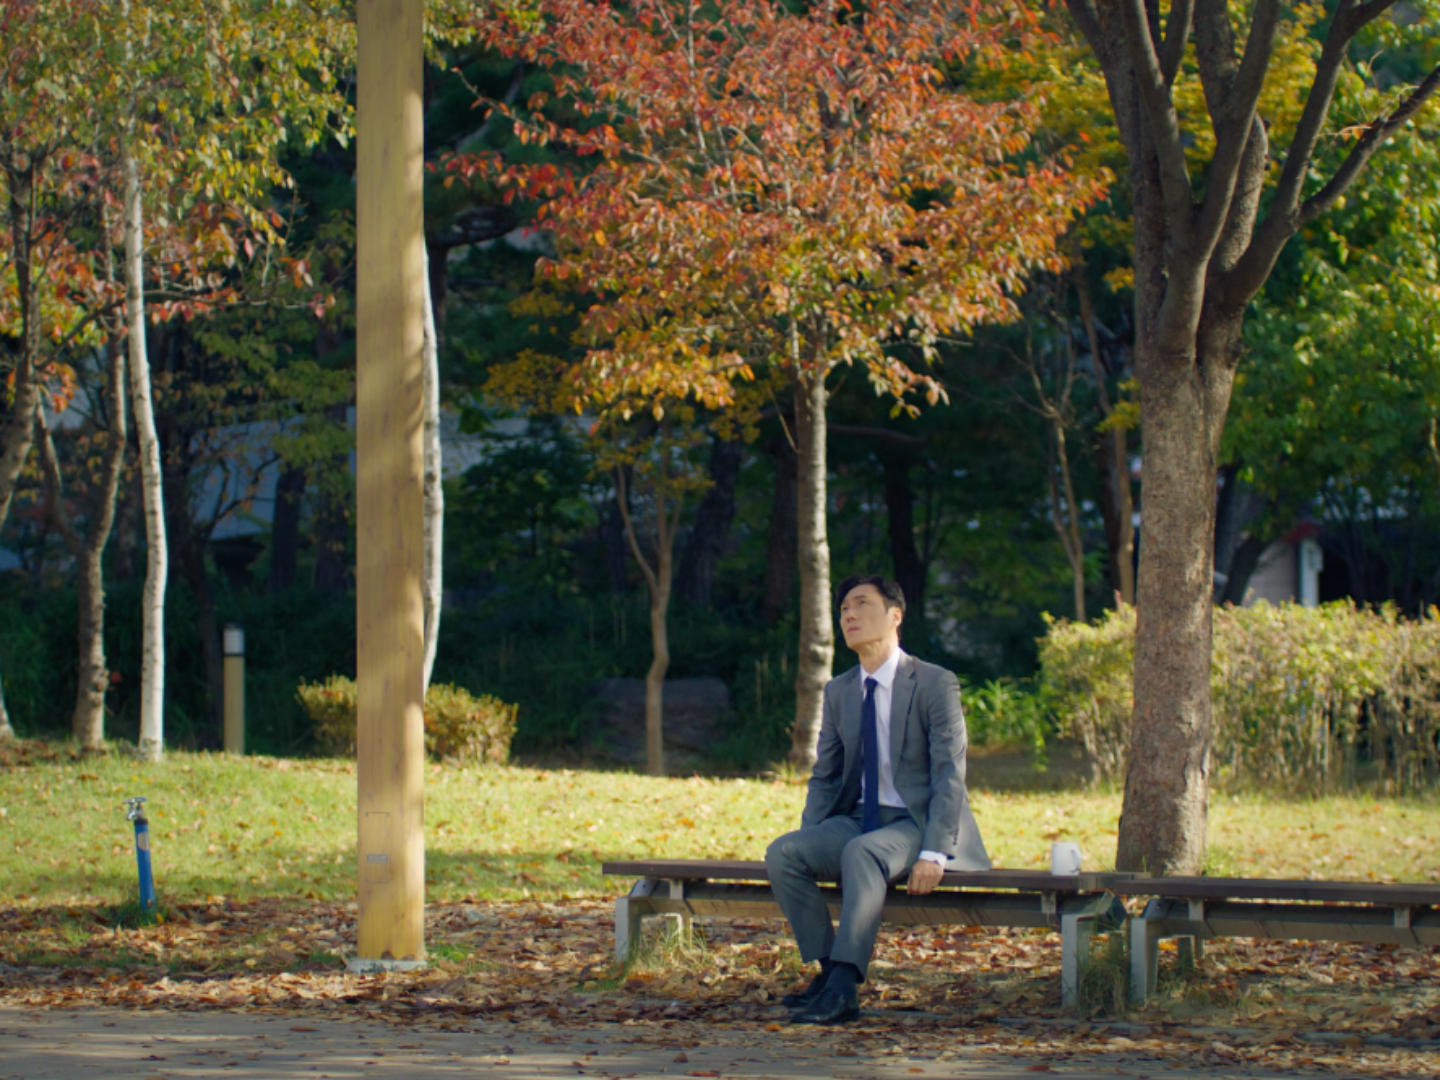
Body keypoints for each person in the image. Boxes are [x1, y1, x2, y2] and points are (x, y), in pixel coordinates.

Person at [765, 574, 990, 1024]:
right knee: (785, 853)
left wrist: (934, 852)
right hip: (857, 819)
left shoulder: (934, 683)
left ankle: (844, 989)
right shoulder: (839, 690)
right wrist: (814, 839)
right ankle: (831, 974)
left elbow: (949, 773)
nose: (849, 614)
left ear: (895, 615)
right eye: (844, 608)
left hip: (915, 821)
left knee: (862, 853)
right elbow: (825, 776)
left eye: (862, 604)